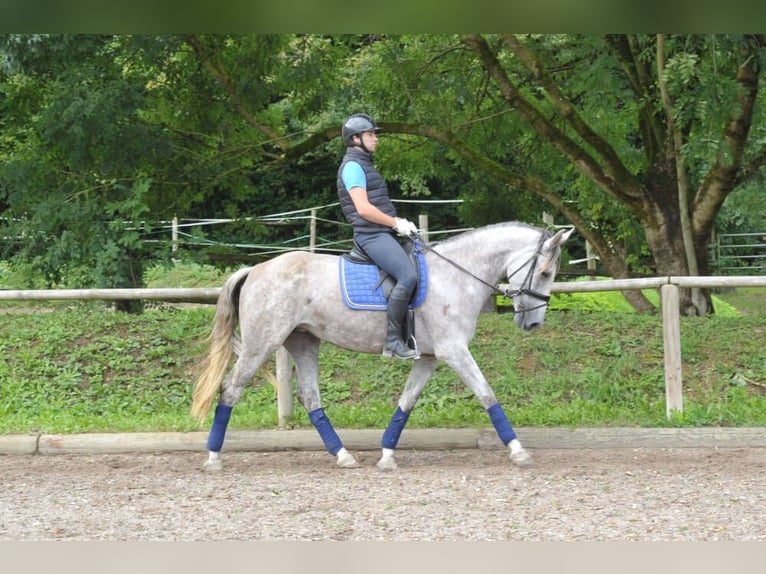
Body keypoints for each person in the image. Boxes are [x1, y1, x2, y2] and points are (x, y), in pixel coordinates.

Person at [337, 113, 420, 360]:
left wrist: (398, 226)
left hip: (382, 231)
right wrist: (396, 222)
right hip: (370, 235)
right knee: (407, 275)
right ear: (356, 138)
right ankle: (393, 340)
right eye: (371, 134)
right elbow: (363, 209)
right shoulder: (352, 167)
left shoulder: (364, 164)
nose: (376, 139)